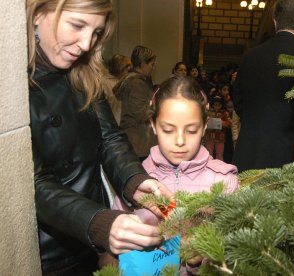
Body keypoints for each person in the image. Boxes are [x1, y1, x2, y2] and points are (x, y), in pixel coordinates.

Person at [26, 0, 173, 274]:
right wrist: (98, 222)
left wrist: (133, 179)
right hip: (46, 250)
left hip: (92, 237)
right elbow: (32, 182)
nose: (85, 44)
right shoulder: (13, 83)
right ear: (37, 14)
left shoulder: (84, 74)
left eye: (96, 33)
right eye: (77, 25)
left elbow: (110, 139)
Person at [102, 76, 239, 272]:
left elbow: (239, 253)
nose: (180, 141)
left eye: (191, 130)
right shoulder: (135, 180)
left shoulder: (225, 182)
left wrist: (203, 258)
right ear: (153, 124)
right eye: (168, 130)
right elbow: (113, 243)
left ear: (204, 126)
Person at [232, 0, 294, 172]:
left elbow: (238, 100)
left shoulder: (250, 56)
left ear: (274, 20)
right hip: (288, 155)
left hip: (248, 152)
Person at [114, 45, 158, 161]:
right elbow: (140, 113)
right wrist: (159, 108)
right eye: (152, 65)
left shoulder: (131, 80)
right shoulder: (136, 83)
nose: (153, 68)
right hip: (138, 140)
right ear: (142, 64)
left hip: (136, 140)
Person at [106, 54, 132, 124]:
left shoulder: (126, 81)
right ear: (120, 67)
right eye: (127, 66)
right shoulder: (104, 83)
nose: (130, 68)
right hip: (112, 124)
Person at [204, 95, 232, 161]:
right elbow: (202, 122)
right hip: (209, 136)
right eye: (215, 105)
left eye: (219, 105)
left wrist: (223, 123)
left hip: (220, 137)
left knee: (219, 154)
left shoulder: (225, 113)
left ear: (221, 105)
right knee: (209, 154)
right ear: (212, 104)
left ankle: (219, 168)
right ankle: (209, 167)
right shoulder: (208, 112)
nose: (217, 107)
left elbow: (229, 123)